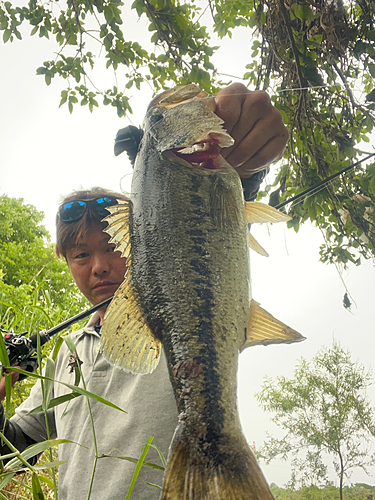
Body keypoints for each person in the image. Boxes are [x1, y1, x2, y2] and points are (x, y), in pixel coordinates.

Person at [0, 83, 289, 499]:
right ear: (67, 263)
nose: (98, 266)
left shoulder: (173, 308)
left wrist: (245, 166)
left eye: (113, 247)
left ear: (146, 240)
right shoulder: (66, 356)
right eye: (81, 254)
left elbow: (201, 238)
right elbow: (11, 451)